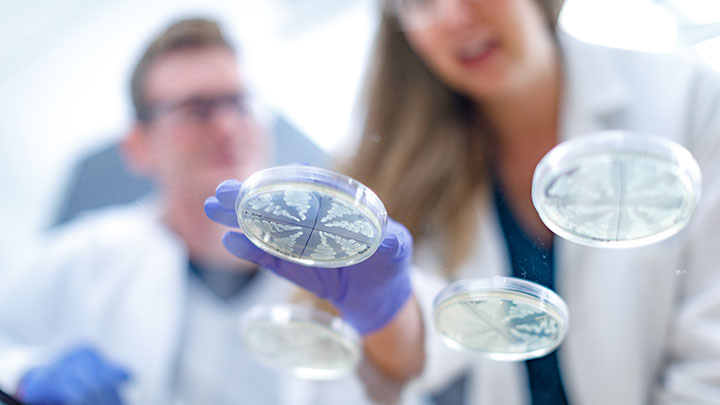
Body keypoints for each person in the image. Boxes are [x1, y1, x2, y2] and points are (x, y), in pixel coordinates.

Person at [0, 17, 423, 404]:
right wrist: (24, 376)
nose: (226, 126)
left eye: (238, 103)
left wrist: (389, 309)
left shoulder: (338, 256)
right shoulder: (83, 260)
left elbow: (430, 368)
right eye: (196, 110)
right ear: (138, 146)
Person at [332, 0, 720, 404]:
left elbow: (713, 357)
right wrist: (389, 333)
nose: (454, 16)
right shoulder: (404, 173)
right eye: (421, 2)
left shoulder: (689, 100)